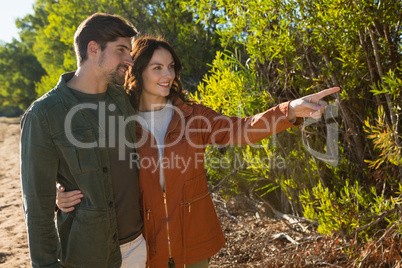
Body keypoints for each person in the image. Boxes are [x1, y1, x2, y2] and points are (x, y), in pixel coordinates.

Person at [57, 36, 340, 267]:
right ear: (137, 70)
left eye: (171, 67)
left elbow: (242, 129)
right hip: (142, 245)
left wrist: (289, 110)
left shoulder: (194, 117)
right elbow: (92, 165)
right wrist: (63, 190)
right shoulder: (119, 120)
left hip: (194, 243)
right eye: (157, 67)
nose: (167, 74)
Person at [20, 13, 147, 268]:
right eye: (121, 50)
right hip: (88, 255)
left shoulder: (121, 98)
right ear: (93, 49)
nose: (129, 60)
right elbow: (37, 207)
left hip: (137, 246)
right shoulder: (44, 114)